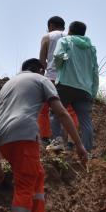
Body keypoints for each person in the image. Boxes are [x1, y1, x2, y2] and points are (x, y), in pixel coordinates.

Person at [0, 58, 87, 212]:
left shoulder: (6, 86)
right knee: (25, 184)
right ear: (40, 70)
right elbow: (60, 112)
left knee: (38, 174)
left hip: (2, 138)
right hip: (24, 134)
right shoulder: (40, 80)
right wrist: (78, 145)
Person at [46, 21, 99, 154]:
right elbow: (95, 71)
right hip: (85, 89)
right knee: (85, 120)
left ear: (69, 30)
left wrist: (61, 66)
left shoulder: (65, 41)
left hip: (65, 84)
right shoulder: (91, 48)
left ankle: (57, 142)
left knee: (55, 113)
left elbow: (58, 56)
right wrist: (93, 92)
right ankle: (87, 150)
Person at [37, 16, 78, 145]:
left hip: (52, 78)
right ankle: (71, 142)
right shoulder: (72, 38)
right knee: (70, 110)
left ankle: (45, 138)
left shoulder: (47, 37)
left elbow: (42, 61)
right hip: (69, 79)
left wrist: (44, 71)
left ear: (50, 25)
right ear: (64, 27)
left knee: (44, 108)